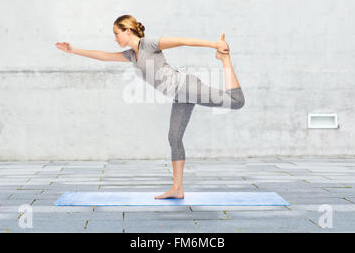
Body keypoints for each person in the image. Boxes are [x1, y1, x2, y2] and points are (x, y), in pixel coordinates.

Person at [55, 14, 245, 199]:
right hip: (180, 96)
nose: (115, 38)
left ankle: (224, 60)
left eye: (116, 33)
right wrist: (74, 50)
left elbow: (182, 40)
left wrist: (215, 45)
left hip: (186, 87)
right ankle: (177, 189)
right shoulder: (132, 55)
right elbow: (105, 56)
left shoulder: (149, 44)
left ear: (128, 30)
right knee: (174, 138)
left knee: (236, 101)